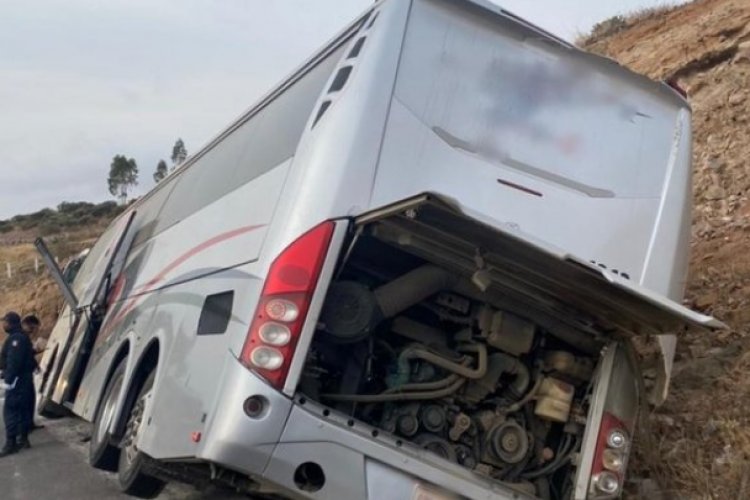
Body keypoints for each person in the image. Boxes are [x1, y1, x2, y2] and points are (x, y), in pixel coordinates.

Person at [0, 311, 36, 456]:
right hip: (23, 380)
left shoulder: (16, 339)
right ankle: (23, 439)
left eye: (5, 322)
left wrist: (8, 379)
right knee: (22, 410)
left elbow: (14, 362)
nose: (3, 325)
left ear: (11, 323)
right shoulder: (20, 337)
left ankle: (11, 443)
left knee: (11, 410)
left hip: (17, 381)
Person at [21, 314, 44, 432]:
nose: (35, 331)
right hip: (22, 375)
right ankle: (25, 427)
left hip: (26, 374)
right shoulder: (22, 338)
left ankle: (29, 424)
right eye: (34, 328)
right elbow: (26, 355)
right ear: (29, 325)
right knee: (26, 400)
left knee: (31, 399)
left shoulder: (24, 337)